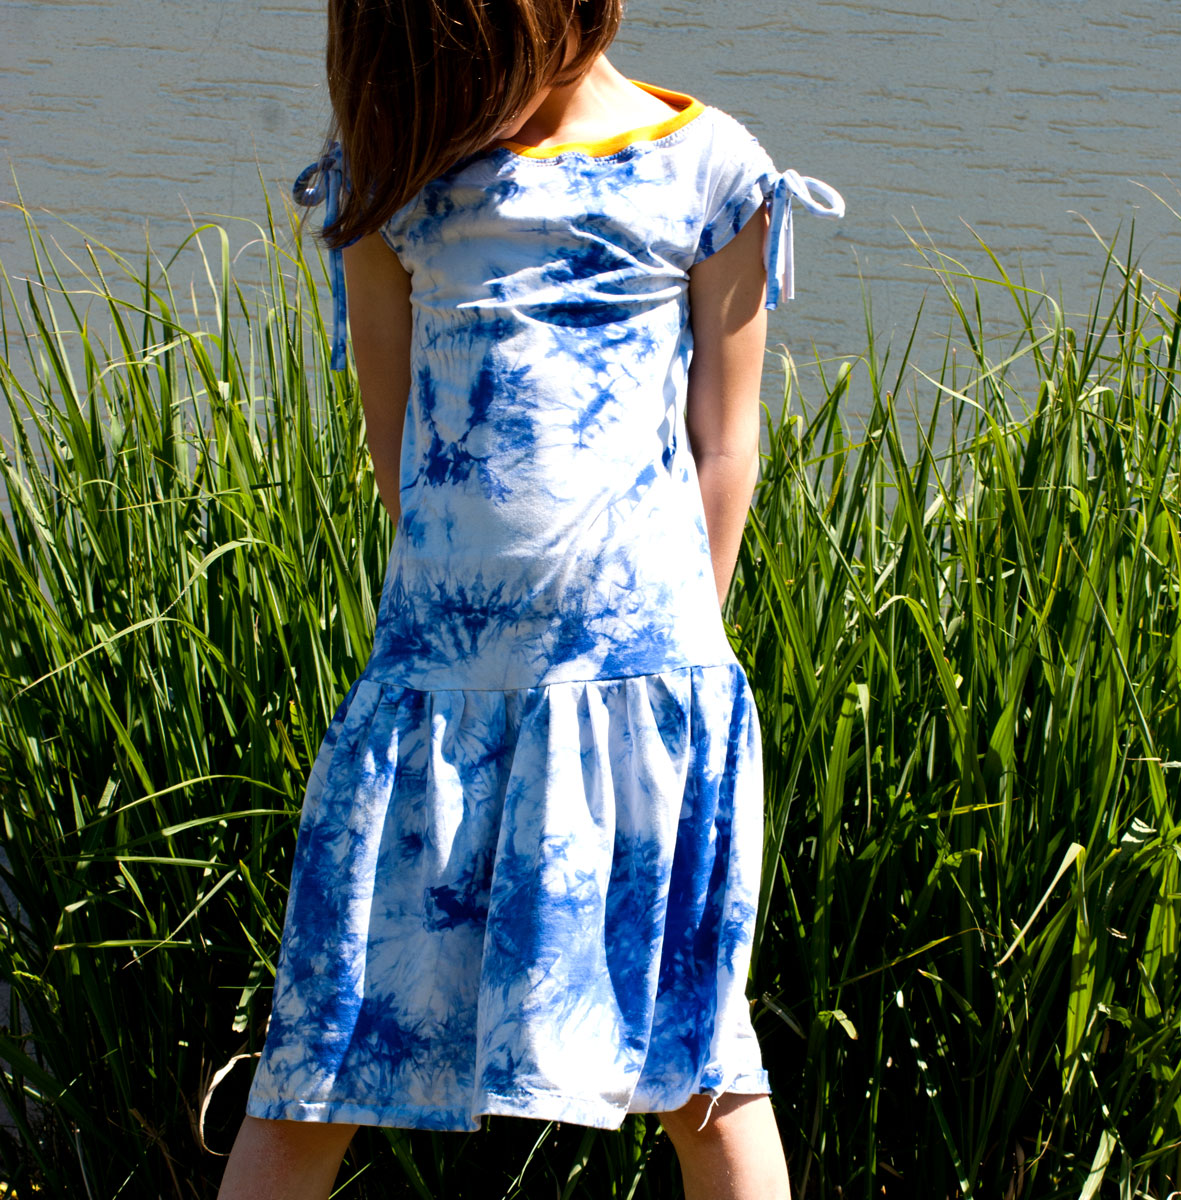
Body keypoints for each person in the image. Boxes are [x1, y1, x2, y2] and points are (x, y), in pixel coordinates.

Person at [217, 1, 842, 1196]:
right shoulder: (393, 178)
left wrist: (673, 664)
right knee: (320, 1062)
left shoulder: (710, 167)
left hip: (644, 701)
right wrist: (470, 642)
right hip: (436, 699)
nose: (431, 77)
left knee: (700, 1073)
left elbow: (726, 445)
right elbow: (398, 444)